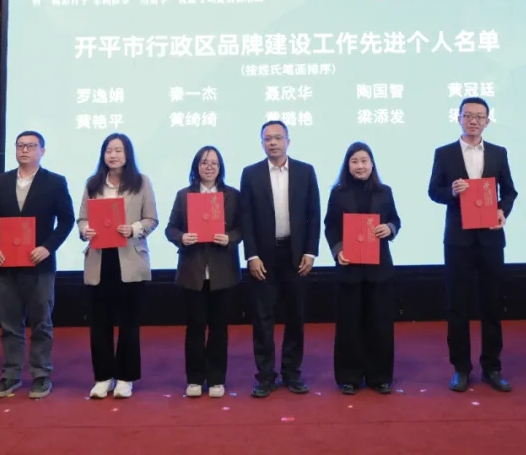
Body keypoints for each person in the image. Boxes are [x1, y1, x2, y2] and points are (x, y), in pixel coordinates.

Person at [428, 97, 518, 393]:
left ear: (488, 121)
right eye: (468, 115)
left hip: (491, 237)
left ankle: (492, 367)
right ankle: (461, 368)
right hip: (458, 239)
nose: (474, 121)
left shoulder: (498, 153)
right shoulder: (444, 153)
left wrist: (502, 210)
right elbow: (433, 191)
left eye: (480, 116)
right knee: (458, 305)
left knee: (492, 304)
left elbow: (510, 191)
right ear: (459, 118)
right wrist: (451, 192)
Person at [0, 131, 74, 399]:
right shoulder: (1, 181)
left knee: (41, 321)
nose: (24, 150)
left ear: (42, 151)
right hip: (7, 263)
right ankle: (11, 374)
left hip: (39, 264)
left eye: (31, 146)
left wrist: (47, 247)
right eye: (20, 145)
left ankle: (41, 373)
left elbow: (66, 221)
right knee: (10, 323)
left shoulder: (55, 182)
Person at [239, 120, 321, 398]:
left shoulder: (305, 171)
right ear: (262, 143)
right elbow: (246, 217)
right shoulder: (250, 174)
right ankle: (265, 376)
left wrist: (310, 252)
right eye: (267, 139)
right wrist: (251, 255)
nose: (272, 142)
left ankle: (292, 373)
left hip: (296, 255)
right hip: (264, 257)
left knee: (295, 316)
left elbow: (314, 214)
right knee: (263, 318)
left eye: (277, 137)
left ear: (288, 140)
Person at [78, 133, 158, 400]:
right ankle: (103, 377)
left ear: (127, 154)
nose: (113, 155)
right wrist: (86, 230)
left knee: (128, 323)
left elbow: (151, 219)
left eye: (118, 150)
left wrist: (133, 228)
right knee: (99, 323)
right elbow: (82, 219)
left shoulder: (141, 182)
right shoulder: (93, 184)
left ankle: (125, 378)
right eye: (108, 150)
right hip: (100, 260)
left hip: (130, 259)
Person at [323, 142, 401, 395]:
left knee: (379, 324)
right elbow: (330, 226)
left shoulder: (385, 192)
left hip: (379, 269)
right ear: (348, 165)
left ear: (372, 164)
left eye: (364, 161)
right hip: (350, 268)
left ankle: (380, 377)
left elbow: (395, 220)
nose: (360, 166)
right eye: (354, 161)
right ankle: (349, 377)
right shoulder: (338, 193)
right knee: (349, 325)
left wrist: (389, 228)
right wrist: (338, 250)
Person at [165, 145, 242, 398]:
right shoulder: (184, 195)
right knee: (195, 327)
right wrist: (182, 237)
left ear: (220, 168)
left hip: (223, 271)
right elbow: (170, 229)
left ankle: (217, 378)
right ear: (196, 167)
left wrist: (229, 238)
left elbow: (242, 228)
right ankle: (195, 378)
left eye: (214, 163)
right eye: (204, 162)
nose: (209, 167)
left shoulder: (232, 195)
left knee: (219, 328)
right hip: (193, 271)